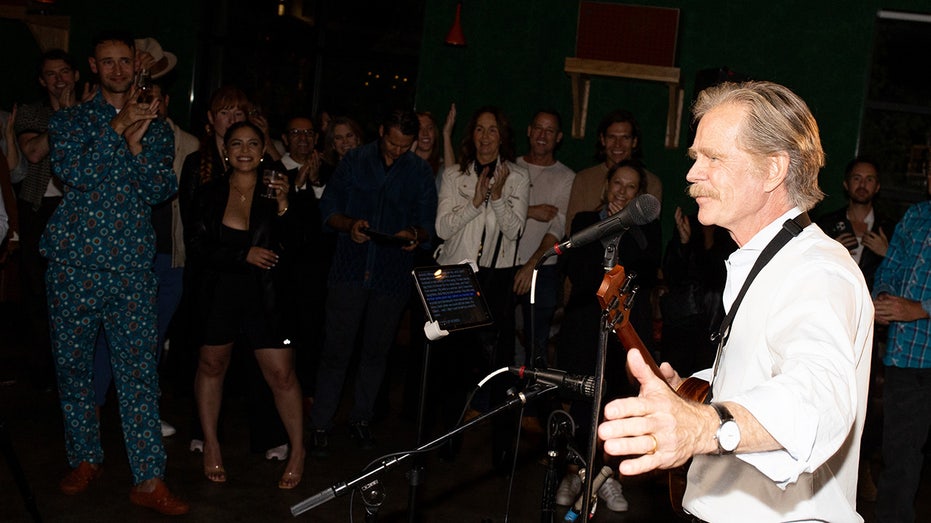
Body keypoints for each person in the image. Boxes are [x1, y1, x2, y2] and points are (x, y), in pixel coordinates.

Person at [597, 81, 873, 521]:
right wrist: (691, 395)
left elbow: (819, 399)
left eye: (714, 158)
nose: (692, 174)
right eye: (695, 159)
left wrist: (704, 427)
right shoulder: (768, 257)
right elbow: (764, 372)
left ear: (772, 170)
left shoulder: (817, 270)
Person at [43, 31, 188, 515]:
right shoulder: (69, 121)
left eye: (125, 61)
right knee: (75, 371)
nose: (118, 70)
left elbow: (158, 188)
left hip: (130, 268)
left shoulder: (157, 125)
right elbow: (73, 173)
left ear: (136, 66)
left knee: (139, 375)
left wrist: (136, 143)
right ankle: (85, 459)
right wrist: (116, 129)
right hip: (74, 265)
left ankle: (148, 479)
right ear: (94, 67)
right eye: (108, 63)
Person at [186, 120, 306, 489]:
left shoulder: (277, 190)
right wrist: (243, 255)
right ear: (226, 149)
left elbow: (302, 245)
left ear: (263, 149)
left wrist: (287, 204)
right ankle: (212, 445)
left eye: (253, 144)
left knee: (282, 376)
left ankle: (298, 449)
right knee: (212, 365)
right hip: (219, 292)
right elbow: (198, 247)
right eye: (236, 143)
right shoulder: (208, 193)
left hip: (265, 296)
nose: (244, 150)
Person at [310, 109, 436, 456]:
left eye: (405, 146)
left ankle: (361, 420)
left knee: (376, 354)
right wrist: (349, 225)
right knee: (336, 351)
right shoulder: (354, 160)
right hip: (349, 269)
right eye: (393, 143)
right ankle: (320, 423)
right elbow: (328, 211)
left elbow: (428, 225)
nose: (397, 151)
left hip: (391, 274)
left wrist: (413, 234)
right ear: (381, 131)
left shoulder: (420, 171)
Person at [92, 79, 198, 438]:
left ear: (166, 101)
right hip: (123, 255)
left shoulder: (188, 143)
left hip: (168, 255)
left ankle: (140, 416)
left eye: (153, 97)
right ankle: (92, 411)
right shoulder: (112, 130)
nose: (147, 103)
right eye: (141, 97)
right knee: (110, 337)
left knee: (151, 339)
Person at [555, 159, 661, 512]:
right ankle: (574, 473)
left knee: (615, 405)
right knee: (582, 401)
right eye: (617, 184)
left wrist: (624, 226)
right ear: (606, 186)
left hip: (624, 329)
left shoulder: (648, 229)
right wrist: (606, 228)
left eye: (631, 187)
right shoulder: (584, 223)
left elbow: (639, 269)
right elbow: (582, 274)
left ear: (639, 195)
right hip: (584, 326)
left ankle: (606, 478)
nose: (622, 192)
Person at [434, 106, 530, 470]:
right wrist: (476, 201)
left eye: (493, 130)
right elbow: (443, 228)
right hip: (457, 276)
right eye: (479, 130)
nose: (486, 137)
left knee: (499, 367)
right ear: (470, 136)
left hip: (498, 278)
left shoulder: (517, 177)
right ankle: (446, 441)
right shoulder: (454, 176)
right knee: (453, 367)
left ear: (502, 136)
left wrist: (500, 195)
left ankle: (502, 451)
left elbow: (514, 230)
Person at [15, 49, 82, 389]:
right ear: (42, 81)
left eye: (65, 72)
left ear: (77, 75)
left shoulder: (93, 112)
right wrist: (66, 116)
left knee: (74, 294)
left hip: (80, 212)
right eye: (52, 75)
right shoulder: (32, 113)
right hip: (39, 209)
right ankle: (42, 372)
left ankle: (72, 368)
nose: (60, 80)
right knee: (38, 291)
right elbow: (34, 151)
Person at [872, 167, 931, 523]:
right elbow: (889, 268)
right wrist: (882, 298)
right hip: (907, 356)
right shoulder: (916, 215)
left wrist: (921, 309)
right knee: (899, 458)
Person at [513, 109, 575, 367]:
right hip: (504, 266)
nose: (542, 135)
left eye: (549, 131)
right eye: (538, 128)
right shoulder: (511, 167)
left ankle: (532, 403)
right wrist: (529, 211)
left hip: (543, 270)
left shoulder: (567, 177)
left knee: (536, 345)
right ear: (529, 130)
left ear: (558, 137)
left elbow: (557, 227)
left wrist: (532, 266)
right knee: (497, 339)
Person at [565, 109, 662, 235]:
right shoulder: (583, 179)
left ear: (634, 142)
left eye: (625, 138)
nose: (618, 145)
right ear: (603, 140)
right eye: (612, 137)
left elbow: (650, 236)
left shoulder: (652, 183)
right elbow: (571, 232)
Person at [816, 157, 892, 290]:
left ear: (877, 187)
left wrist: (888, 253)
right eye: (857, 178)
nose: (862, 185)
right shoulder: (826, 224)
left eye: (869, 179)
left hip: (872, 302)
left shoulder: (889, 228)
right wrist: (830, 251)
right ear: (846, 184)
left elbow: (903, 273)